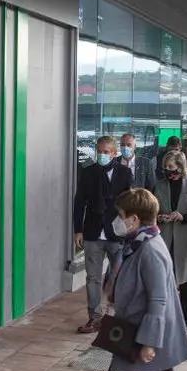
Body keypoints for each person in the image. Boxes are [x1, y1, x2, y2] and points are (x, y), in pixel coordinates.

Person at [103, 188, 187, 371]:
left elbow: (158, 299)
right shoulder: (139, 242)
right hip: (137, 327)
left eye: (121, 215)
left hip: (145, 332)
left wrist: (149, 342)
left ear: (134, 220)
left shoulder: (150, 249)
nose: (117, 220)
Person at [73, 136, 133, 333]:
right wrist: (78, 230)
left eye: (107, 152)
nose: (102, 155)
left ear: (114, 154)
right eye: (100, 151)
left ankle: (117, 316)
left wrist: (130, 229)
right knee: (93, 278)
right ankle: (94, 317)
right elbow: (79, 202)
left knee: (119, 277)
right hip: (92, 232)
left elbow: (130, 204)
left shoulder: (124, 173)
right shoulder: (88, 173)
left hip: (116, 234)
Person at [155, 151, 187, 331]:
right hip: (166, 236)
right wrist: (159, 217)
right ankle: (166, 315)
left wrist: (183, 216)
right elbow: (151, 210)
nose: (168, 171)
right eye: (166, 167)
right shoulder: (159, 186)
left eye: (171, 167)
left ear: (180, 167)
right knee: (164, 277)